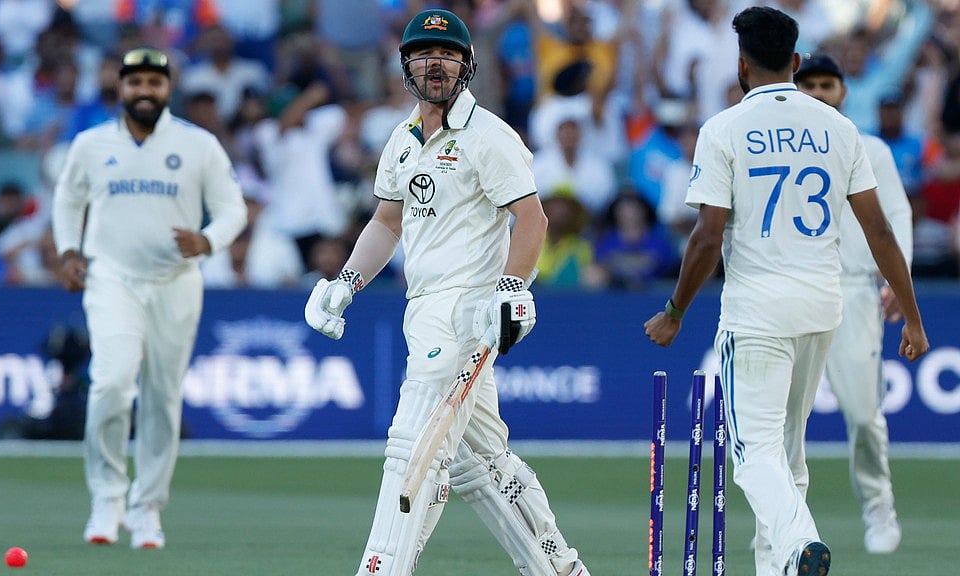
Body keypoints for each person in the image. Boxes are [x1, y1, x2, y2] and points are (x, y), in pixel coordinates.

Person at [304, 9, 591, 576]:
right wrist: (346, 283)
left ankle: (381, 567)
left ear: (466, 65)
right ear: (406, 64)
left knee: (413, 439)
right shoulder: (401, 139)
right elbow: (388, 222)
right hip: (424, 304)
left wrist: (511, 288)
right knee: (481, 464)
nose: (436, 63)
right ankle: (562, 569)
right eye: (424, 54)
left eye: (448, 54)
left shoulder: (489, 135)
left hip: (468, 310)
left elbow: (531, 219)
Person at [643, 7, 929, 576]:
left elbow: (706, 236)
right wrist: (915, 319)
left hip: (757, 310)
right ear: (796, 64)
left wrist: (675, 311)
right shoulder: (840, 128)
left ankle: (800, 545)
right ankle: (776, 569)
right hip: (824, 305)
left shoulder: (723, 128)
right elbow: (879, 231)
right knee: (786, 453)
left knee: (751, 456)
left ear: (743, 66)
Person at [52, 47, 247, 550]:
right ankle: (107, 498)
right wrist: (68, 250)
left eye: (154, 84)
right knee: (111, 383)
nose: (144, 92)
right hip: (111, 277)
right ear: (121, 87)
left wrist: (207, 241)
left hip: (176, 281)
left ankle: (147, 509)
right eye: (135, 83)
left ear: (168, 89)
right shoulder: (91, 144)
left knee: (162, 397)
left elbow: (233, 210)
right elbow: (68, 199)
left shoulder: (198, 144)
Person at [793, 52, 914, 555]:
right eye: (811, 85)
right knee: (784, 417)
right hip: (794, 286)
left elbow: (895, 215)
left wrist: (897, 279)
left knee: (864, 414)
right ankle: (791, 521)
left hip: (855, 287)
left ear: (843, 93)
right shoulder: (782, 150)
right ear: (797, 91)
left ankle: (878, 505)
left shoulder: (871, 149)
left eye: (829, 85)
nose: (820, 93)